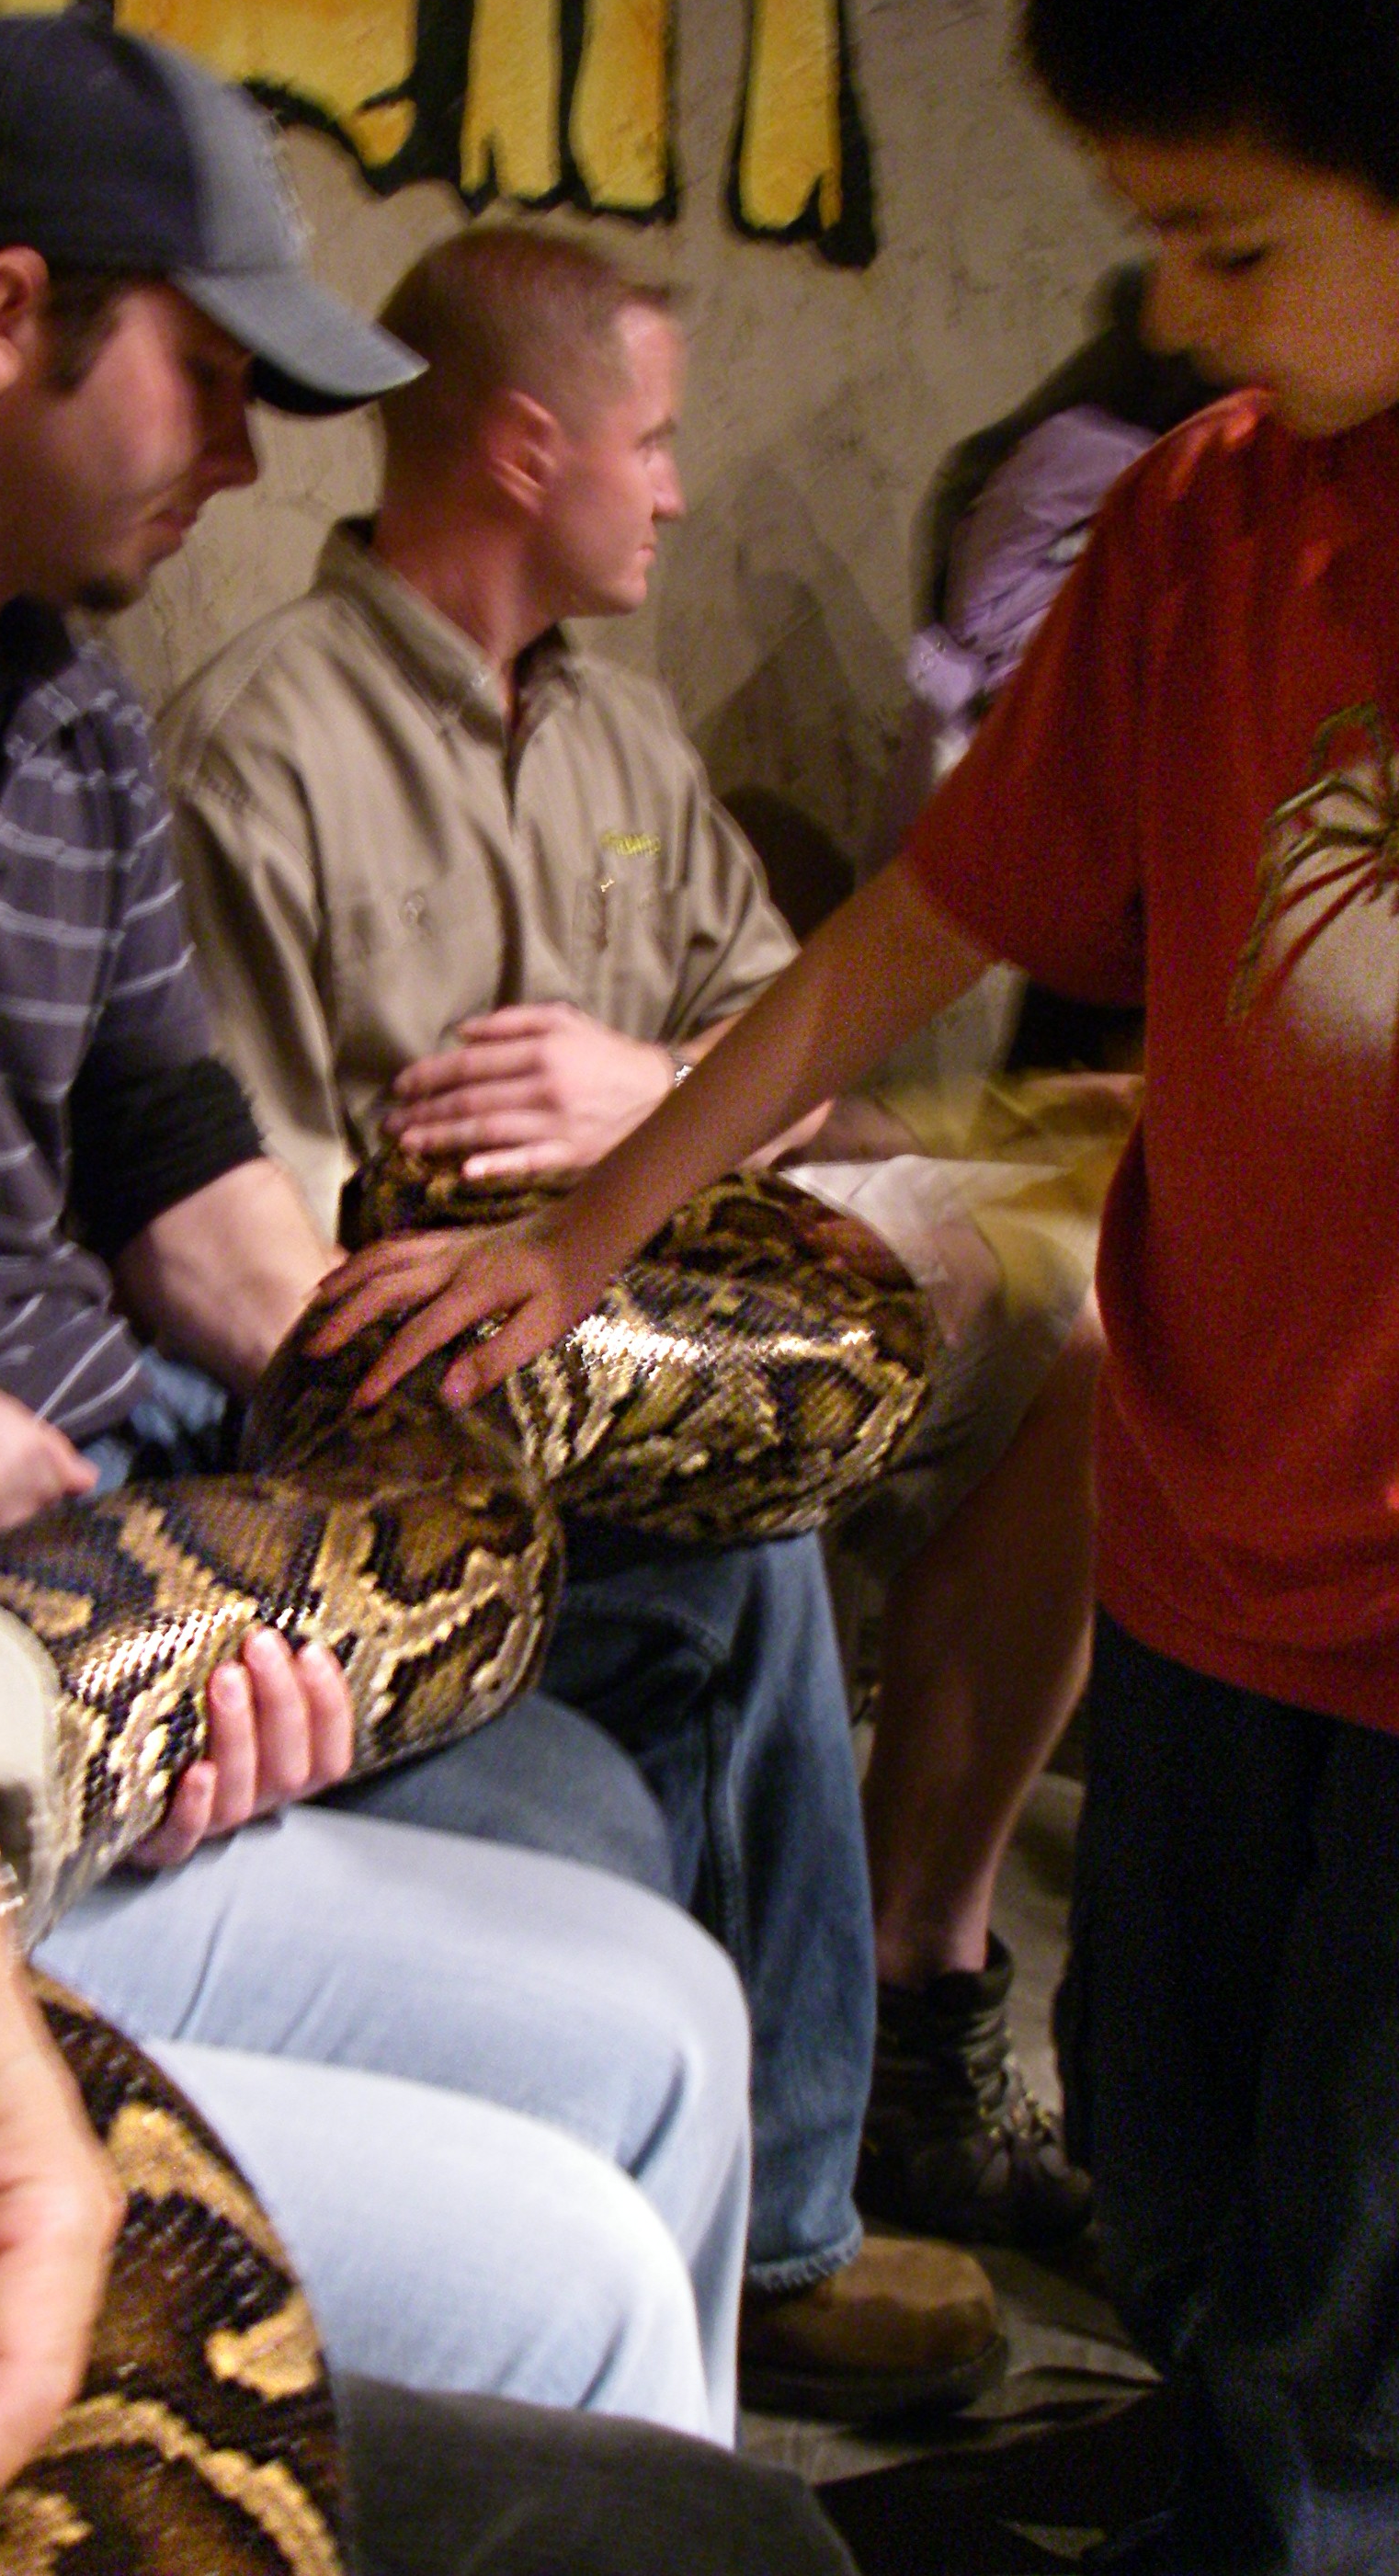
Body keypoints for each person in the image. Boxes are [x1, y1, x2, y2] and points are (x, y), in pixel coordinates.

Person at [0, 7, 758, 2440]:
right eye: (210, 381)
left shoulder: (79, 714)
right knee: (581, 2160)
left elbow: (175, 1170)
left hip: (127, 1532)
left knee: (675, 1918)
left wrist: (406, 1364)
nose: (249, 456)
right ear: (10, 320)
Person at [314, 0, 1399, 2561]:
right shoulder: (1208, 522)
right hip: (1212, 1551)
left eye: (1231, 245)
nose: (1172, 315)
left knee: (1362, 2326)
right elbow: (920, 923)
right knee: (1183, 2186)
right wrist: (585, 1228)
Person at [159, 222, 1095, 2270]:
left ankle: (929, 1977)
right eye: (653, 442)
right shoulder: (262, 744)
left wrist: (645, 1093)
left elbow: (808, 1073)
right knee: (743, 1536)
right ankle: (795, 2219)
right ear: (526, 448)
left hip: (664, 1305)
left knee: (1082, 1328)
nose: (676, 491)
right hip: (428, 1391)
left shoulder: (627, 738)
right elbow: (257, 1244)